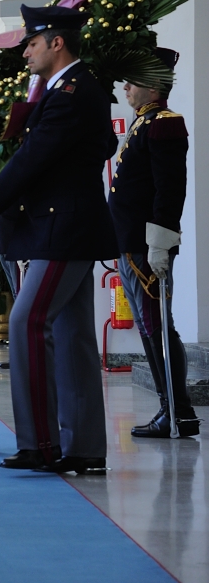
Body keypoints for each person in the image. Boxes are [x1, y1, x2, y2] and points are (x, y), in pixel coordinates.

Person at [0, 5, 117, 474]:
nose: (26, 50)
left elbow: (32, 160)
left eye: (33, 42)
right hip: (65, 226)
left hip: (63, 231)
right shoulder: (69, 89)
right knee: (72, 338)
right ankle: (85, 448)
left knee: (26, 321)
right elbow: (95, 147)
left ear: (57, 43)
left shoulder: (70, 91)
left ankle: (41, 444)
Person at [109, 48, 199, 438]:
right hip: (131, 243)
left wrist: (160, 243)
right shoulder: (143, 123)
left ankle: (177, 412)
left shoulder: (164, 123)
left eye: (133, 80)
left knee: (158, 326)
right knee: (150, 328)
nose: (126, 87)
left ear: (154, 86)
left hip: (147, 246)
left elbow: (169, 191)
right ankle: (172, 411)